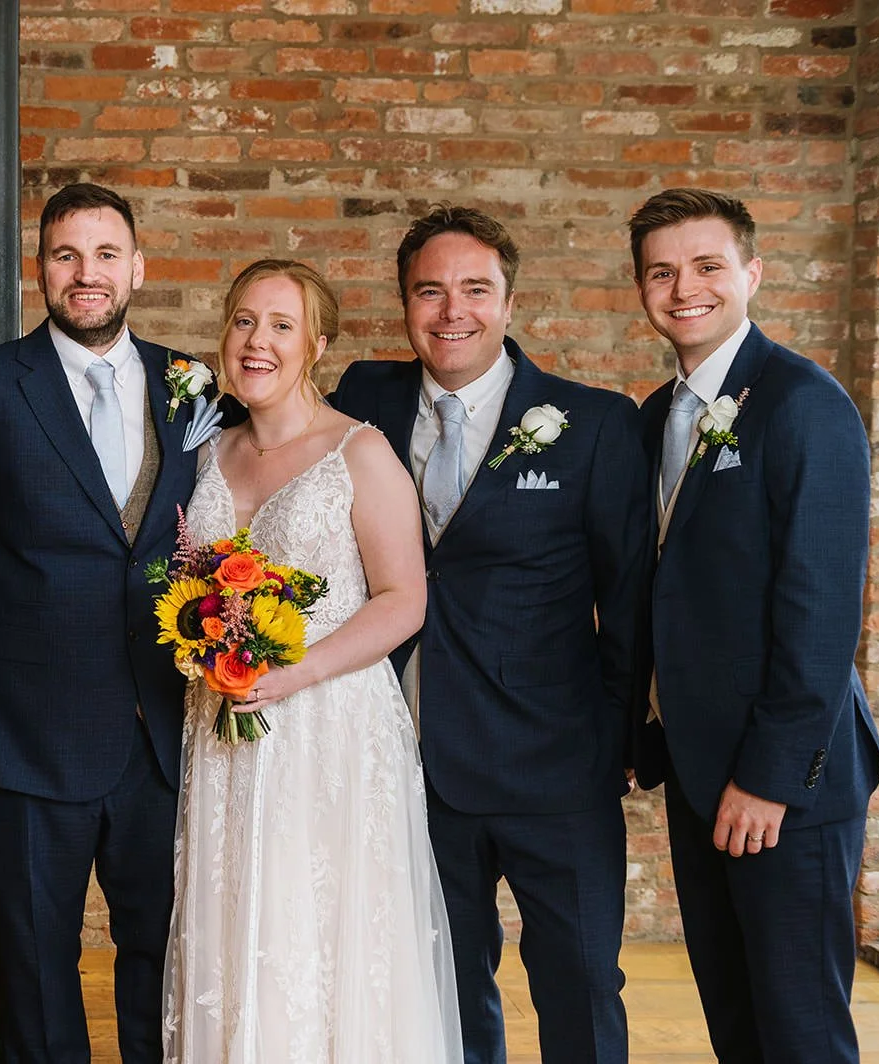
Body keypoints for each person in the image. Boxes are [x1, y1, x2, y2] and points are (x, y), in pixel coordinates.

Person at [331, 206, 652, 1064]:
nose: (452, 312)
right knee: (441, 989)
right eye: (429, 291)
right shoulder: (362, 399)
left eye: (475, 290)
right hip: (414, 762)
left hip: (557, 764)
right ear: (404, 303)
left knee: (581, 987)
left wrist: (617, 740)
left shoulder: (594, 423)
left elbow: (628, 602)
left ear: (510, 302)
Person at [0, 183, 200, 1063]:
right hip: (28, 738)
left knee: (165, 957)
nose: (88, 274)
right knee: (38, 968)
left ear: (138, 267)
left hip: (166, 734)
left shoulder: (192, 384)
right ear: (39, 270)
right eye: (66, 255)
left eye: (106, 254)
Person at [164, 258, 460, 1062]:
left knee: (322, 932)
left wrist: (292, 675)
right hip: (223, 732)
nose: (256, 341)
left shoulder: (358, 453)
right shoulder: (206, 454)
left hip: (329, 728)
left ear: (317, 345)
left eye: (281, 326)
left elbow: (403, 600)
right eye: (243, 321)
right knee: (233, 924)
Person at [629, 187, 879, 1063]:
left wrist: (770, 779)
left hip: (783, 782)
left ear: (753, 274)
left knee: (801, 1031)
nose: (684, 289)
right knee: (737, 1025)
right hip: (700, 770)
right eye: (661, 272)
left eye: (707, 266)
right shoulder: (653, 418)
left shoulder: (802, 403)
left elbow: (823, 609)